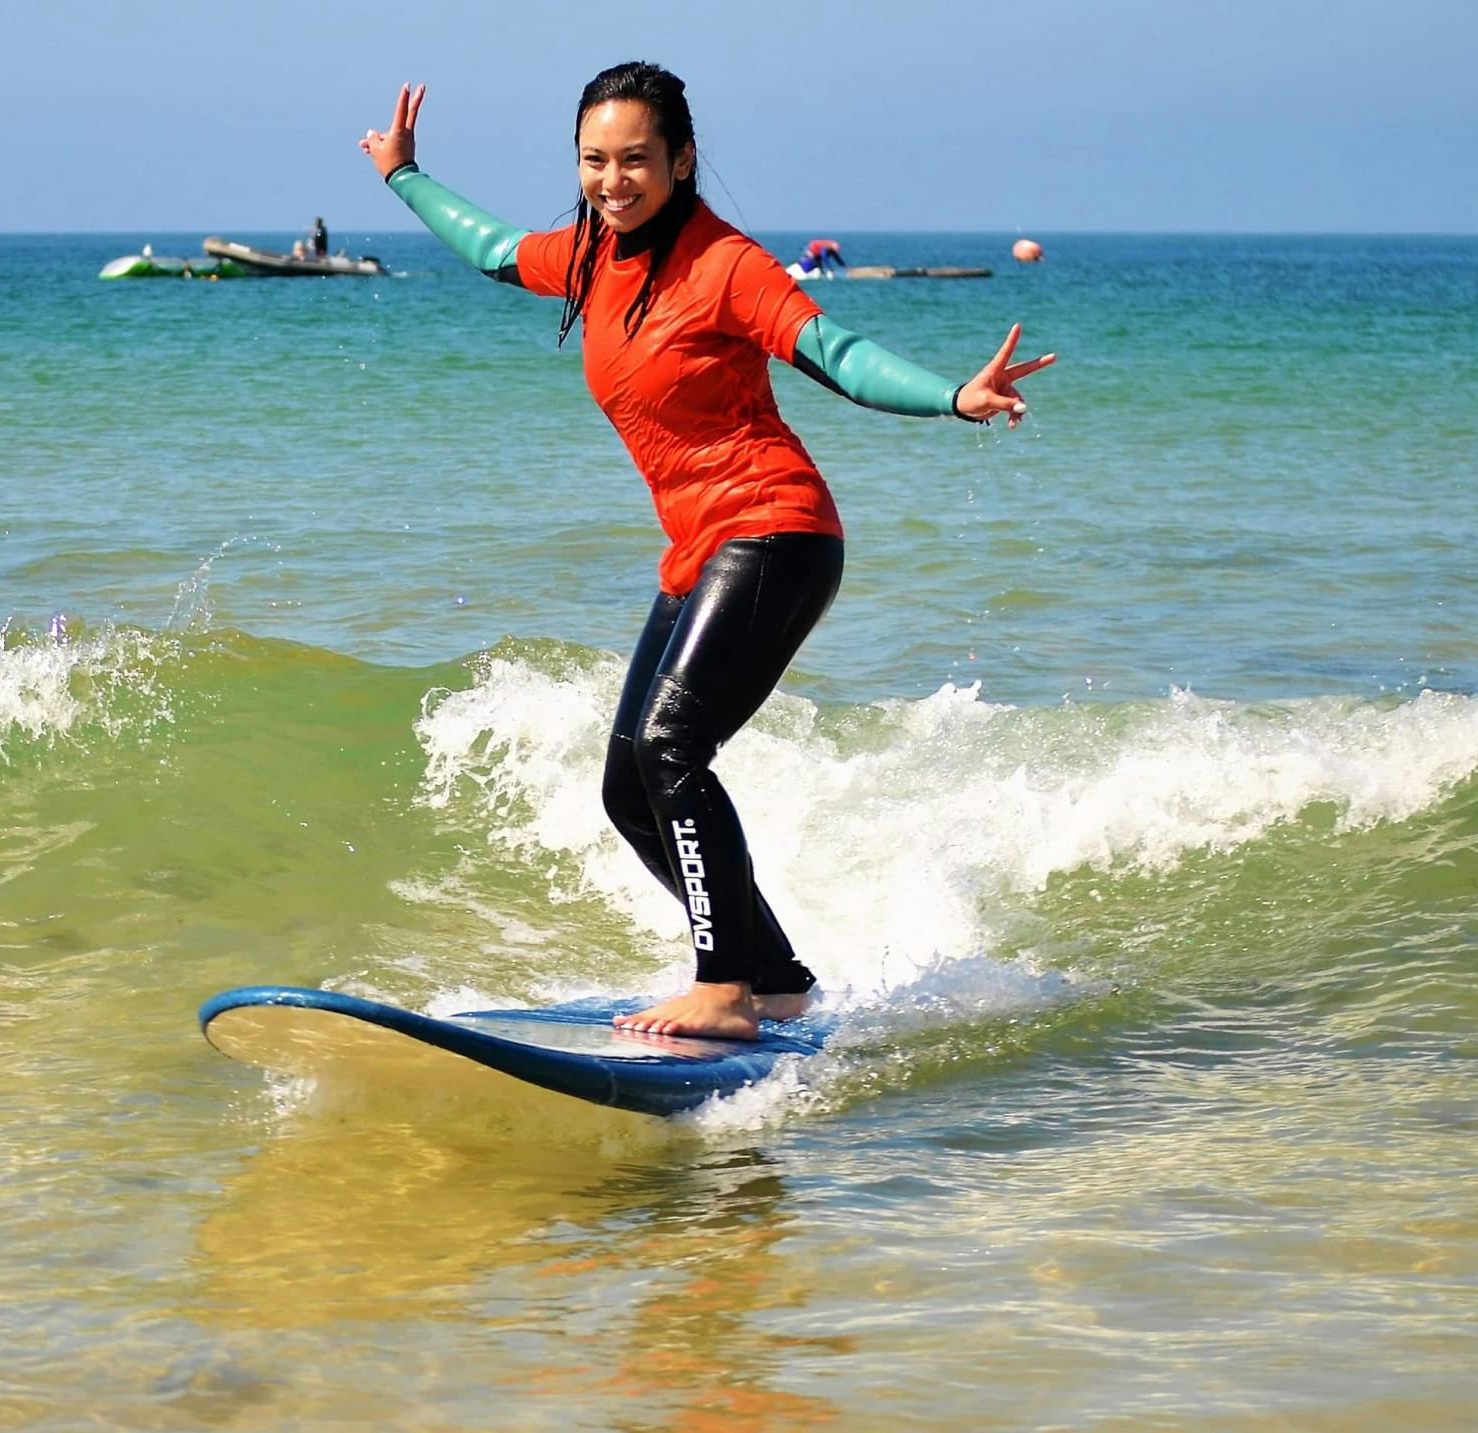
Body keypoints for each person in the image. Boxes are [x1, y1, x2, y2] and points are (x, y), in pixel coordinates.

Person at [361, 64, 1051, 1039]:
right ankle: (772, 977)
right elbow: (494, 248)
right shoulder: (592, 256)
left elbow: (837, 354)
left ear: (681, 161)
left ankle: (721, 986)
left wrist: (951, 395)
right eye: (593, 160)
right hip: (699, 549)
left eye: (635, 158)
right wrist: (404, 175)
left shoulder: (726, 265)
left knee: (670, 747)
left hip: (773, 531)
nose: (612, 179)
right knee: (626, 783)